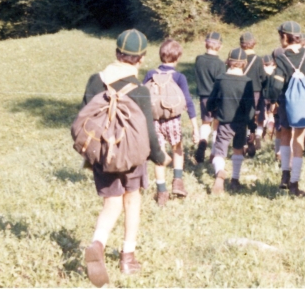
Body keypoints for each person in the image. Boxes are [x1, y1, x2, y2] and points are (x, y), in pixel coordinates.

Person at [82, 29, 170, 287]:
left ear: (116, 53)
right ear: (141, 59)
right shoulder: (141, 90)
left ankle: (97, 243)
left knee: (111, 202)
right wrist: (159, 157)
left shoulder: (94, 81)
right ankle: (127, 257)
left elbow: (85, 116)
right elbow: (149, 132)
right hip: (132, 156)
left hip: (103, 155)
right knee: (132, 201)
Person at [271, 21, 305, 195]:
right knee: (299, 140)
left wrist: (271, 100)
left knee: (285, 134)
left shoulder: (280, 57)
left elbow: (277, 84)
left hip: (286, 102)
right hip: (304, 103)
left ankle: (284, 175)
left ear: (285, 37)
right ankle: (294, 183)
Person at [144, 39, 198, 206]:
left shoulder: (150, 74)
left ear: (161, 55)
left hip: (154, 121)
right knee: (177, 149)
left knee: (159, 154)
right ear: (178, 58)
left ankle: (161, 192)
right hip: (173, 119)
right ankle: (178, 182)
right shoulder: (179, 77)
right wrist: (195, 127)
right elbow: (188, 101)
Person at [207, 48, 257, 194]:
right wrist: (252, 128)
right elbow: (251, 108)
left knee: (220, 152)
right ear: (244, 64)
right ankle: (235, 180)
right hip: (241, 122)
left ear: (228, 61)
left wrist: (214, 110)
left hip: (224, 122)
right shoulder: (247, 82)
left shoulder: (221, 79)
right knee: (238, 150)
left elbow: (211, 102)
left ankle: (220, 173)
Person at [194, 32, 226, 163]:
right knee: (217, 124)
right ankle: (213, 153)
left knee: (205, 122)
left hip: (204, 96)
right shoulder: (220, 64)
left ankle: (202, 141)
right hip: (217, 97)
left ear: (205, 43)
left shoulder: (199, 59)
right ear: (220, 47)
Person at [240, 32, 266, 152]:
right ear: (254, 44)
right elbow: (263, 77)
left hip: (240, 89)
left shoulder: (239, 58)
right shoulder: (258, 59)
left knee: (242, 116)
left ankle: (244, 142)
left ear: (241, 45)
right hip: (255, 91)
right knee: (253, 117)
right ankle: (252, 137)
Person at [261, 54, 280, 153]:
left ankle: (264, 134)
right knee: (272, 115)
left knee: (264, 116)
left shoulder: (263, 73)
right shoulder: (275, 73)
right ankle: (270, 134)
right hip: (273, 98)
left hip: (264, 97)